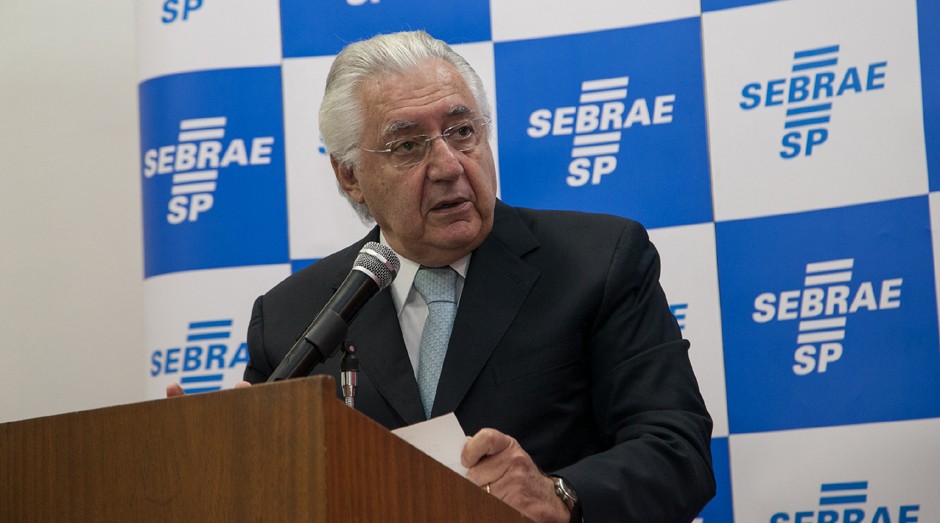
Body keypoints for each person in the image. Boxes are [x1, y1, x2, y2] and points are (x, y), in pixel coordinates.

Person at [241, 30, 714, 522]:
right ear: (350, 175)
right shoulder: (291, 318)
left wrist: (559, 494)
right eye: (408, 145)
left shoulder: (598, 262)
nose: (448, 166)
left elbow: (677, 450)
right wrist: (230, 452)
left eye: (462, 132)